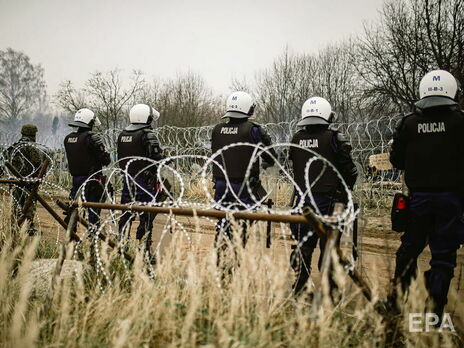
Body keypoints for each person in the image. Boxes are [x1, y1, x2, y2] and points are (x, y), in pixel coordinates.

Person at [389, 69, 464, 321]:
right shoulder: (460, 122)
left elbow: (396, 160)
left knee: (409, 250)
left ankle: (397, 303)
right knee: (443, 257)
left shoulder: (409, 123)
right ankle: (434, 312)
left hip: (419, 199)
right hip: (452, 200)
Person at [288, 97, 357, 296]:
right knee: (329, 245)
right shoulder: (335, 137)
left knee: (303, 245)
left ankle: (300, 287)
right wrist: (344, 193)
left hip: (301, 199)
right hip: (328, 201)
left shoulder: (296, 138)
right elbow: (350, 171)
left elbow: (292, 164)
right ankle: (329, 289)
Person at [210, 91, 276, 261]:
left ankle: (220, 261)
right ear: (248, 108)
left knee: (223, 223)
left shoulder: (217, 130)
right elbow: (271, 156)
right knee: (242, 224)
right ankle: (234, 262)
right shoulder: (254, 130)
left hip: (221, 185)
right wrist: (265, 163)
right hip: (244, 186)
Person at [117, 104, 165, 261]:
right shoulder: (147, 134)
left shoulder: (123, 135)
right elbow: (157, 159)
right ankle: (143, 251)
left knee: (126, 214)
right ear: (147, 118)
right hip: (145, 182)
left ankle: (121, 248)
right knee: (146, 217)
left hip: (127, 180)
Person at [64, 108, 111, 234]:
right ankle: (93, 234)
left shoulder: (68, 138)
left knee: (74, 207)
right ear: (89, 122)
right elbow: (105, 159)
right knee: (93, 209)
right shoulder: (91, 138)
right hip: (92, 179)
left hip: (76, 179)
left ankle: (71, 235)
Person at [8, 124, 43, 235]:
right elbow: (37, 162)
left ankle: (15, 225)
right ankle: (28, 227)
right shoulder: (30, 146)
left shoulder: (14, 146)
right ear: (33, 133)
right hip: (29, 180)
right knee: (29, 204)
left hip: (15, 179)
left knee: (17, 203)